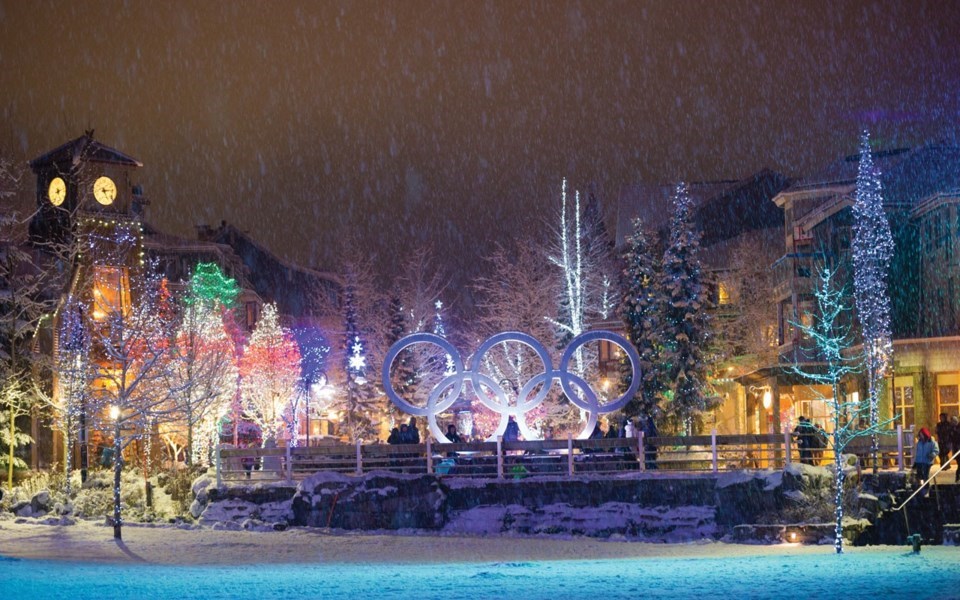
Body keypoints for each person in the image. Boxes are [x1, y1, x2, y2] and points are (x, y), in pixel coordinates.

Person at [914, 427, 939, 497]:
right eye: (920, 434)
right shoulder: (919, 442)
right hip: (919, 461)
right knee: (919, 475)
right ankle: (921, 488)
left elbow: (936, 450)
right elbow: (918, 452)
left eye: (922, 434)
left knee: (925, 474)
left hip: (927, 461)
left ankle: (926, 488)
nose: (921, 436)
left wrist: (931, 455)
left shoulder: (931, 441)